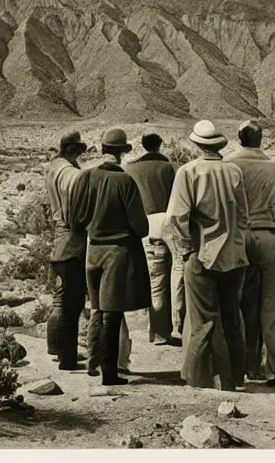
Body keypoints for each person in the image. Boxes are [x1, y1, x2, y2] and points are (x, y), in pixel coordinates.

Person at [164, 120, 249, 391]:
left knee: (203, 320)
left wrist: (187, 246)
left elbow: (177, 217)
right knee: (232, 317)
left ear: (197, 145)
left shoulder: (189, 172)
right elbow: (244, 217)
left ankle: (204, 378)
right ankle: (236, 375)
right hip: (234, 255)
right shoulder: (233, 171)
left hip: (202, 254)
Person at [69, 127, 151, 386]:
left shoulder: (86, 177)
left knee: (97, 310)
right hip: (117, 253)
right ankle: (110, 373)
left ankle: (95, 362)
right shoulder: (124, 181)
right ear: (122, 152)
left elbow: (75, 220)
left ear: (103, 149)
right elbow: (142, 227)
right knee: (112, 316)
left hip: (93, 253)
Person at [225, 120, 275, 386]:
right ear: (261, 139)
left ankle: (241, 366)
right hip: (269, 237)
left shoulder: (230, 166)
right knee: (271, 308)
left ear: (239, 138)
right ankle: (274, 368)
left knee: (240, 305)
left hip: (239, 239)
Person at [126, 133, 182, 344]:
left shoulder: (131, 169)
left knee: (155, 279)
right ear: (160, 146)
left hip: (144, 229)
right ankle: (174, 326)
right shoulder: (169, 168)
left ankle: (158, 331)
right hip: (168, 227)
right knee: (174, 278)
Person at [45, 131, 88, 370]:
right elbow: (74, 210)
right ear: (72, 150)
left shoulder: (54, 167)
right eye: (79, 152)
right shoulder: (70, 173)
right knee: (70, 302)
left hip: (60, 237)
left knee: (61, 298)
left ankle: (57, 347)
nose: (80, 156)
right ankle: (67, 357)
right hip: (71, 239)